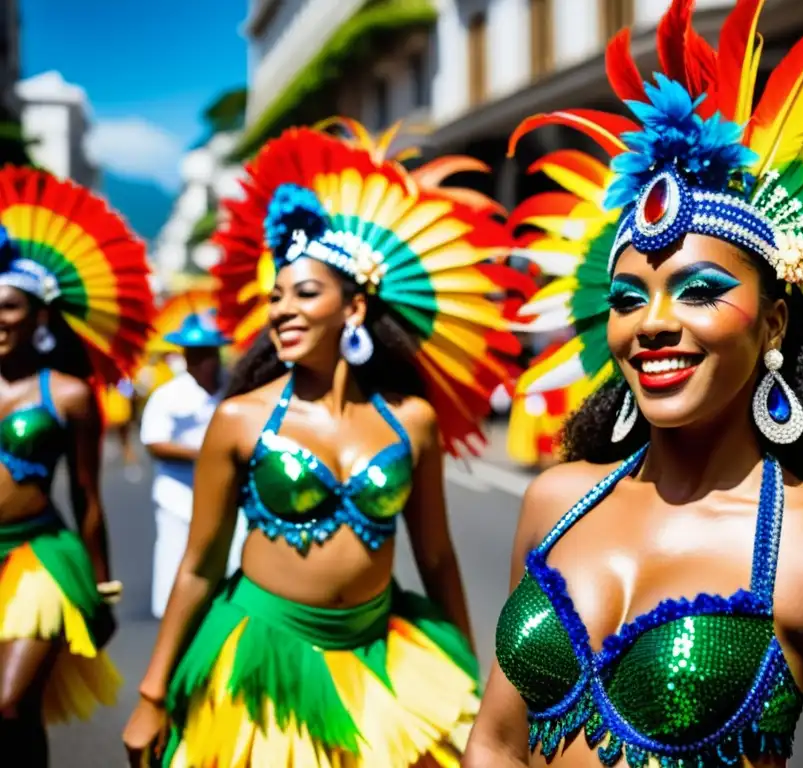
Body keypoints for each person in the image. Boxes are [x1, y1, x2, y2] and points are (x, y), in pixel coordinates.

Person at [465, 1, 803, 766]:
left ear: (772, 325)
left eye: (698, 291)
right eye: (627, 300)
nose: (651, 323)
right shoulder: (555, 501)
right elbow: (496, 741)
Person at [123, 120, 528, 767]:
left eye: (304, 293)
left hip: (379, 655)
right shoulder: (240, 418)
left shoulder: (412, 420)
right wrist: (151, 692)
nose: (281, 308)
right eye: (275, 296)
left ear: (355, 309)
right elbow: (198, 567)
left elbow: (438, 558)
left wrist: (471, 673)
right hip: (263, 654)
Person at [0, 166, 154, 762]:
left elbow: (89, 498)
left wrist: (103, 587)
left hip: (38, 559)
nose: (0, 318)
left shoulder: (67, 394)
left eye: (11, 306)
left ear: (40, 316)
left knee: (11, 704)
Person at [140, 309, 245, 619]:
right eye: (193, 355)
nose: (199, 362)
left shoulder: (236, 391)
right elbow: (154, 442)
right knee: (176, 565)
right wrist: (207, 455)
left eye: (206, 355)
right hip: (179, 496)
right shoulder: (167, 396)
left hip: (229, 496)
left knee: (237, 560)